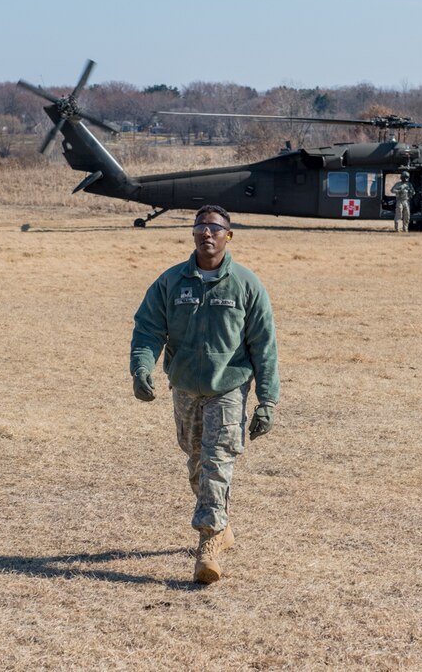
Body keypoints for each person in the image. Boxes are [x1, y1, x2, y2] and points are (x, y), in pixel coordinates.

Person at [130, 205, 280, 584]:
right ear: (193, 235)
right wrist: (142, 367)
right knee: (196, 460)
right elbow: (148, 329)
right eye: (201, 228)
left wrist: (267, 400)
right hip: (184, 386)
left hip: (228, 386)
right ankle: (221, 521)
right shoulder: (171, 282)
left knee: (217, 461)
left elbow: (264, 344)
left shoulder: (246, 284)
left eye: (215, 228)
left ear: (229, 236)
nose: (207, 234)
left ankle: (209, 545)